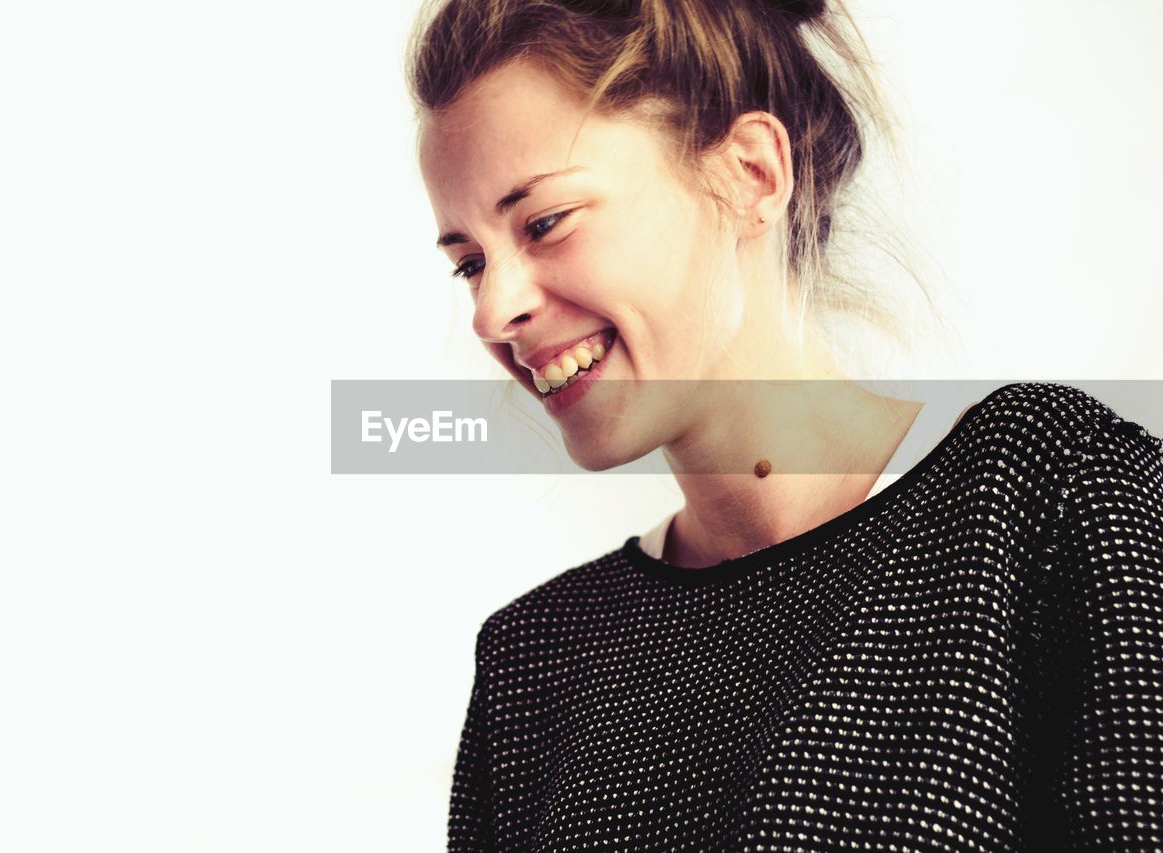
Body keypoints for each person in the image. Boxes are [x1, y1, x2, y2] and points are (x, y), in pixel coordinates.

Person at [405, 0, 1163, 849]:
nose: (493, 310)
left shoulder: (1047, 493)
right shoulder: (530, 663)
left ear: (751, 175)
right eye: (469, 262)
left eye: (544, 223)